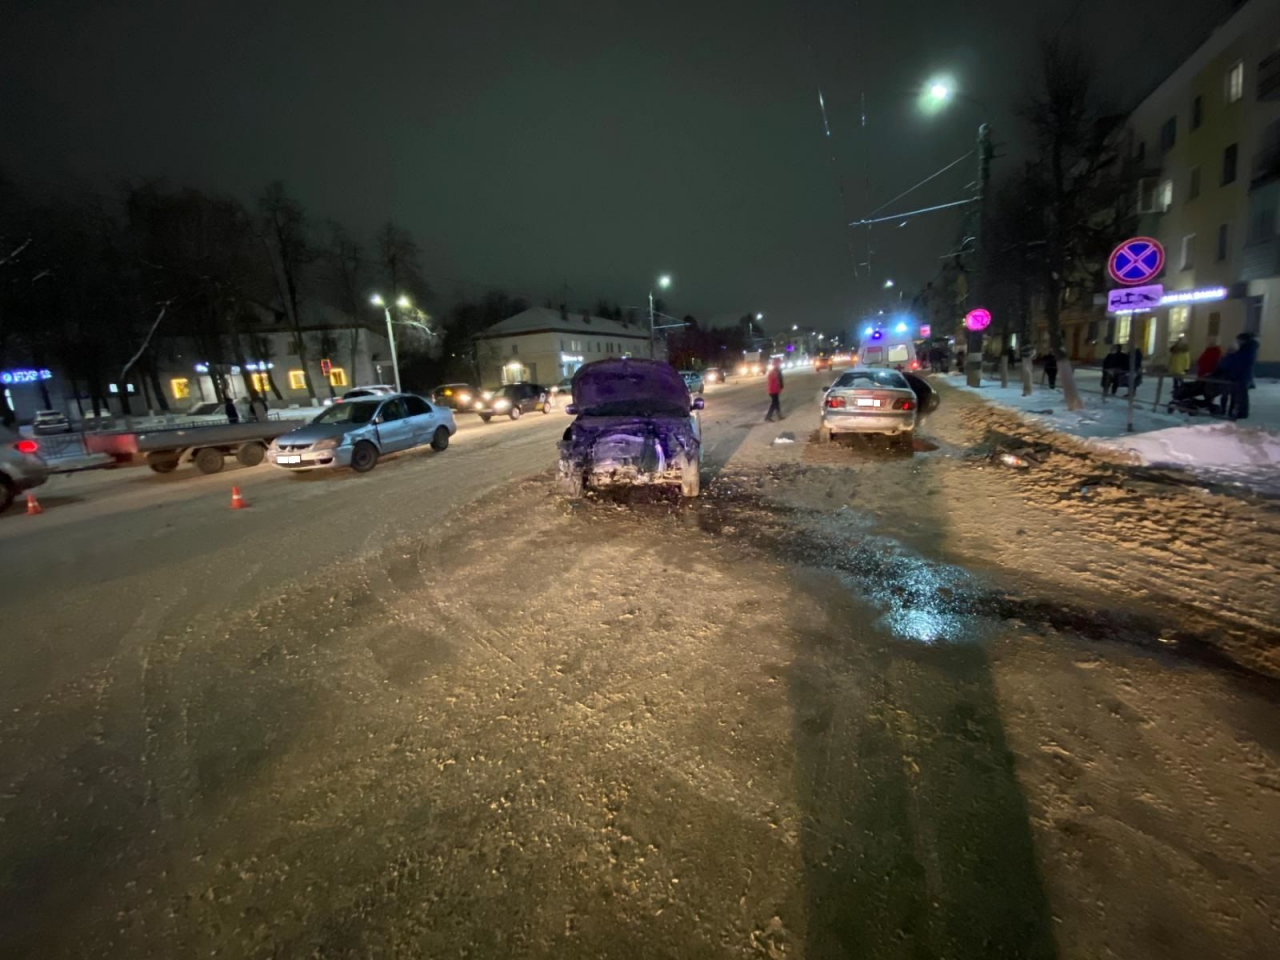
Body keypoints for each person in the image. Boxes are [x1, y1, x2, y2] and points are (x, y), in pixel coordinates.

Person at [1218, 331, 1259, 420]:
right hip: (1240, 376)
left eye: (1238, 340)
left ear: (1243, 340)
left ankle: (1239, 412)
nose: (1237, 342)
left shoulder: (1245, 350)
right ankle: (1236, 412)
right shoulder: (1247, 349)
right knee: (1238, 395)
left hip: (1240, 376)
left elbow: (1235, 362)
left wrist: (1229, 355)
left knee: (1239, 396)